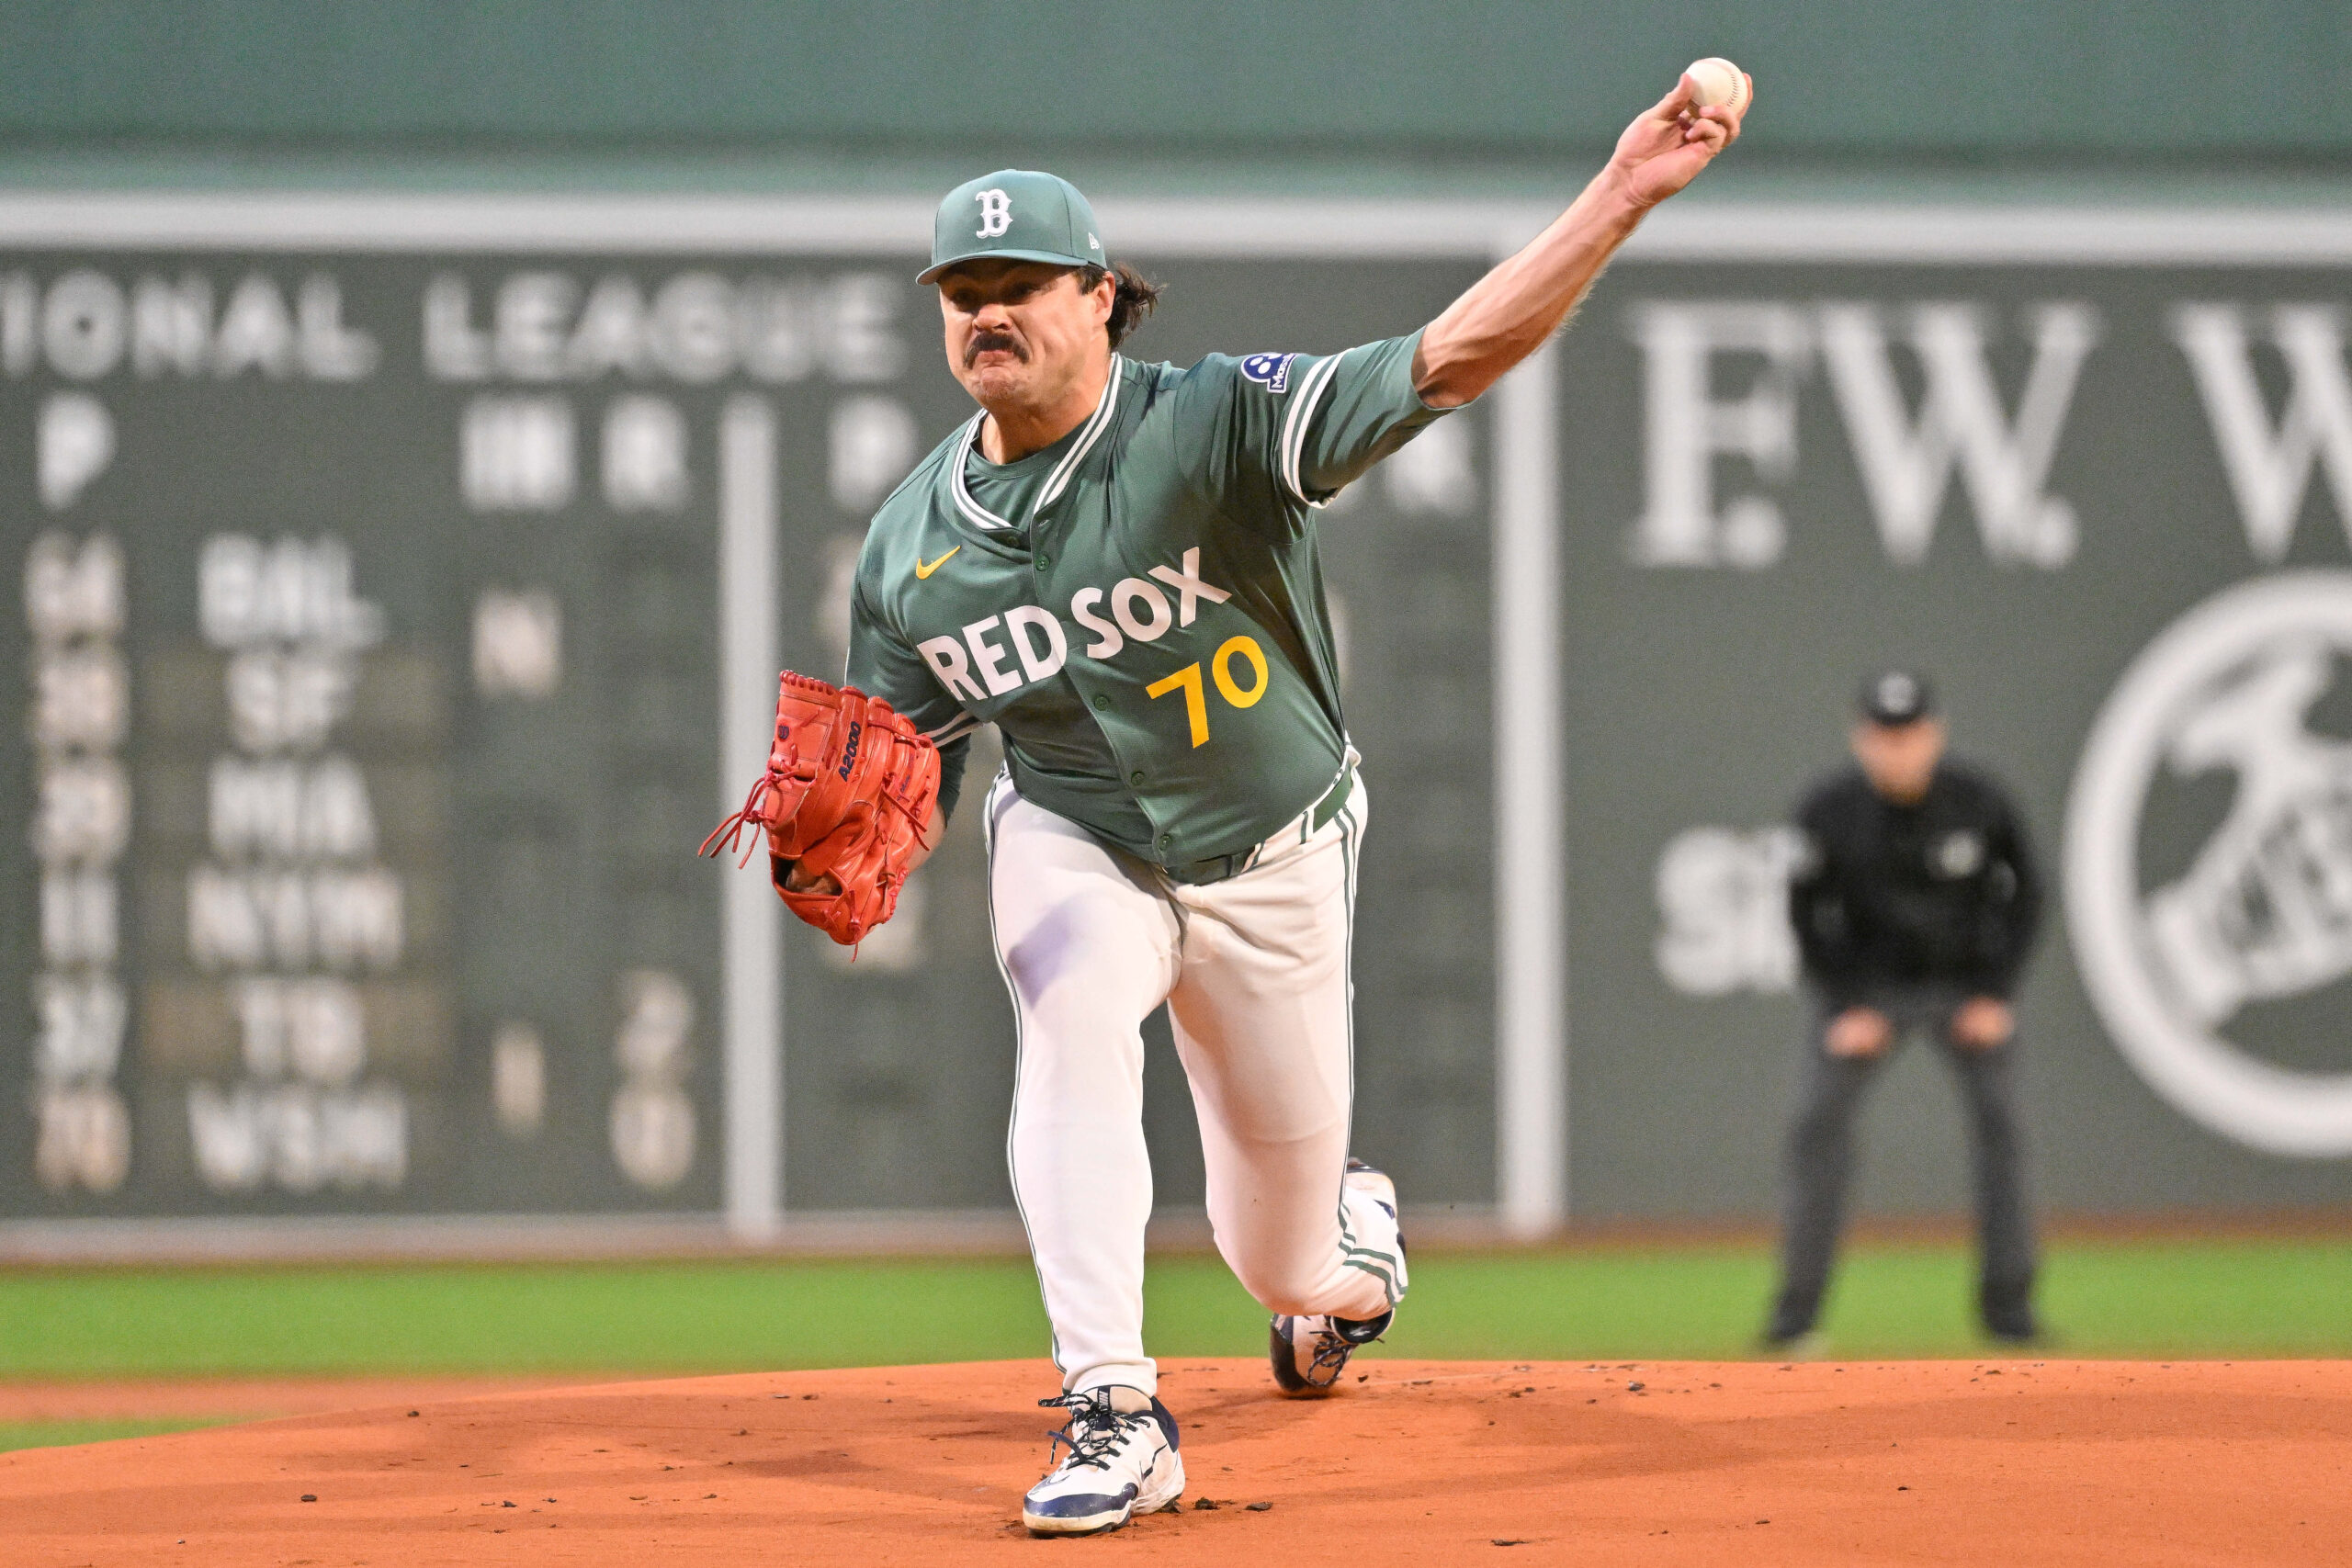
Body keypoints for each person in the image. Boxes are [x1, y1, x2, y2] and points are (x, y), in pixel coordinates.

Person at [825, 71, 1750, 1536]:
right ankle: (1113, 1405)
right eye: (961, 288)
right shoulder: (908, 551)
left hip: (1275, 860)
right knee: (1066, 1009)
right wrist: (869, 825)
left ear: (1103, 296)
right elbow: (906, 758)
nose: (985, 309)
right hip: (1081, 836)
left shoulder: (1215, 424)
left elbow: (1453, 354)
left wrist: (1624, 192)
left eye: (1018, 282)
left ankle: (1346, 1260)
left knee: (1288, 1263)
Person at [1768, 671, 2045, 1350]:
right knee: (1816, 1128)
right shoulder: (1829, 809)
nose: (1898, 748)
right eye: (1883, 735)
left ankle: (2009, 1314)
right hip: (1868, 992)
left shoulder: (1978, 801)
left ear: (1935, 733)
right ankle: (1795, 1319)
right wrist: (1843, 1005)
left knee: (2001, 1128)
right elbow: (1805, 914)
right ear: (1861, 738)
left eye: (1910, 733)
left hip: (1963, 987)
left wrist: (1995, 991)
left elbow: (2028, 893)